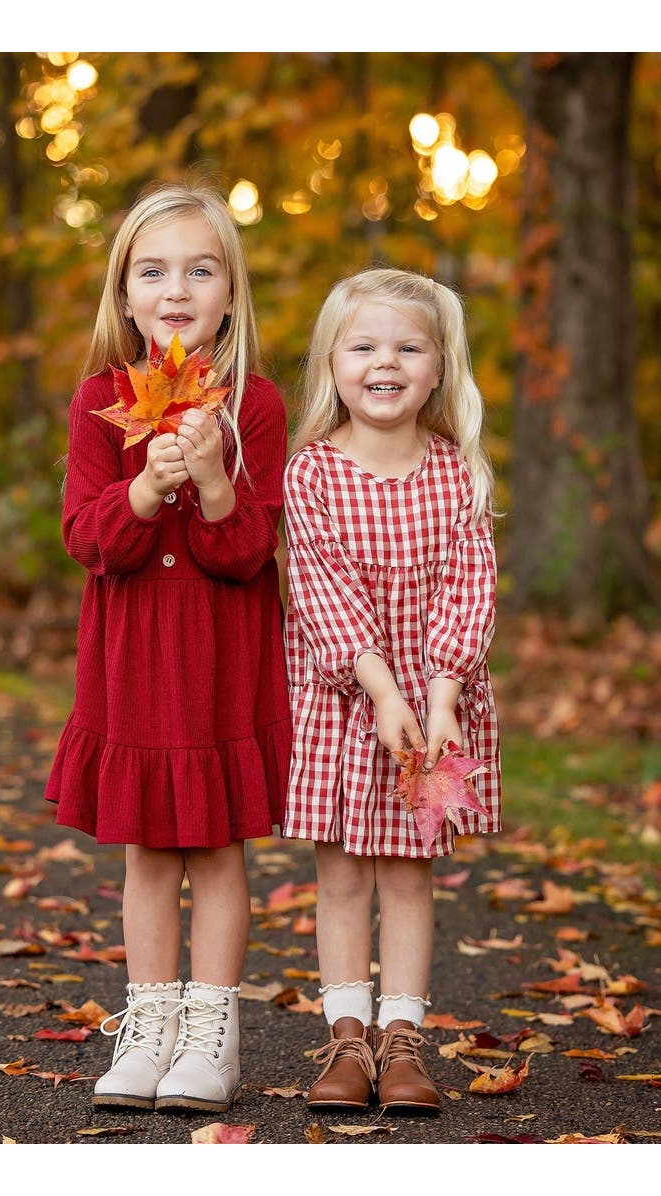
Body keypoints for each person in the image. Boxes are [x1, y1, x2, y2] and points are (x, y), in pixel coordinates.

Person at [44, 180, 291, 1114]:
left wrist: (218, 482)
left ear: (231, 291)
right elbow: (87, 539)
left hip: (222, 656)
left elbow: (249, 555)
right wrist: (147, 487)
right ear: (125, 294)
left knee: (219, 844)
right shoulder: (101, 401)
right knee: (149, 848)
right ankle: (148, 1024)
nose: (176, 288)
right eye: (153, 271)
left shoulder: (255, 405)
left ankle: (210, 1031)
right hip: (135, 655)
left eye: (200, 268)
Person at [282, 267, 501, 1114]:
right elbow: (322, 592)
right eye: (364, 345)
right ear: (332, 364)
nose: (386, 361)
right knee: (340, 877)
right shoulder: (312, 474)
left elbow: (470, 589)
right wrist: (380, 691)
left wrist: (440, 696)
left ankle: (404, 1044)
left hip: (433, 708)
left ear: (440, 368)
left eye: (409, 346)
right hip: (344, 705)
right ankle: (346, 1041)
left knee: (411, 877)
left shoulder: (459, 475)